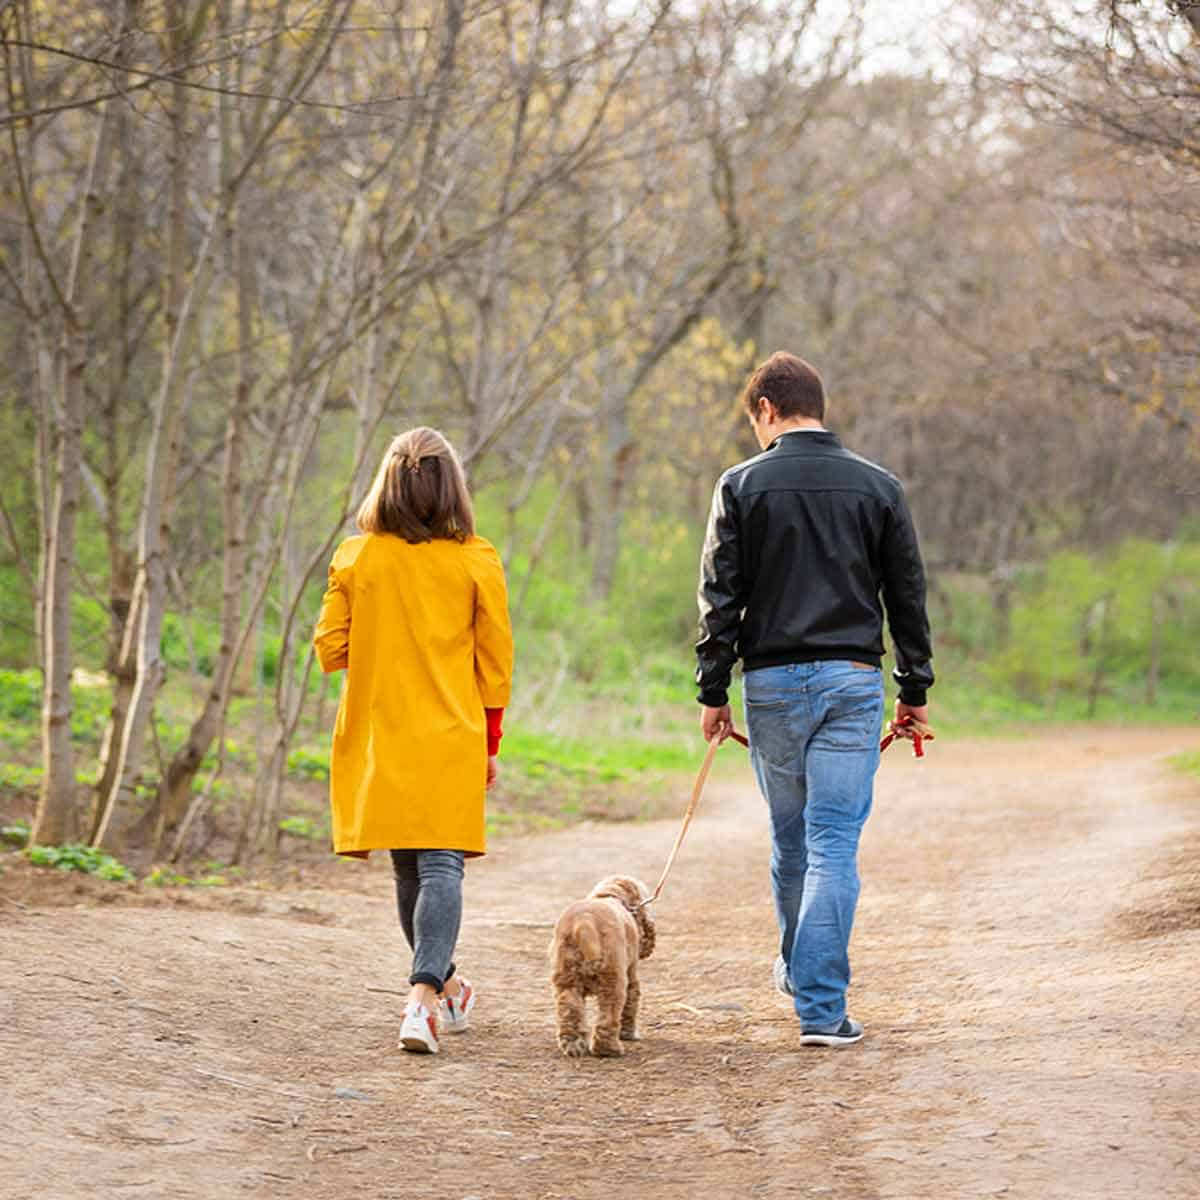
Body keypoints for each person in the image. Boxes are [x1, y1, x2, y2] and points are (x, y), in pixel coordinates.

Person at [695, 352, 933, 1047]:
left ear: (766, 408)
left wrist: (713, 689)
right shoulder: (878, 486)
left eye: (753, 422)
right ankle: (821, 1011)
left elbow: (720, 597)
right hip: (854, 683)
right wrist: (913, 687)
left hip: (770, 684)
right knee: (834, 844)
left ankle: (805, 976)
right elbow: (906, 594)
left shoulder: (740, 485)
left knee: (791, 838)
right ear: (816, 405)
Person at [313, 426, 514, 1056]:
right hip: (452, 730)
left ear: (388, 484)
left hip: (381, 735)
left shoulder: (355, 558)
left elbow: (330, 649)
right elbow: (495, 665)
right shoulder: (476, 560)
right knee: (439, 863)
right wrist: (491, 743)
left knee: (414, 866)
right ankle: (438, 990)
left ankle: (426, 997)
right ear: (451, 487)